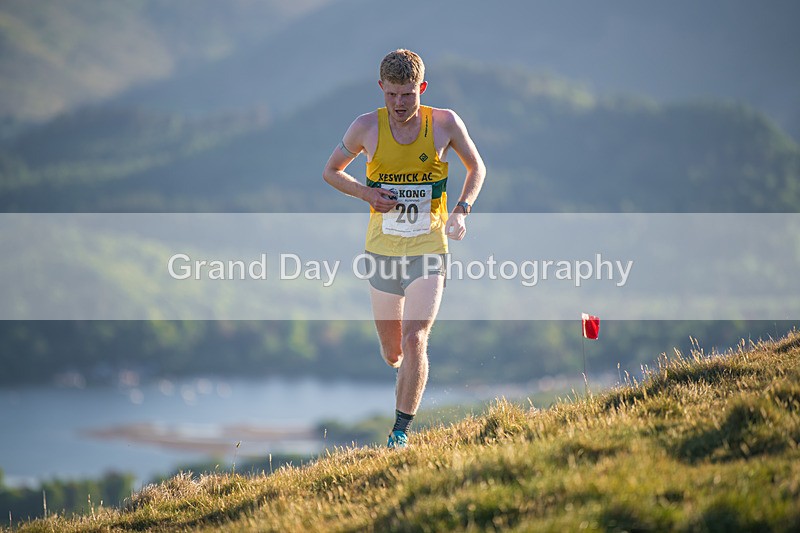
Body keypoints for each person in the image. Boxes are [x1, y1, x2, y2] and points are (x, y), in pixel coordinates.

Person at [322, 49, 486, 448]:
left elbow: (476, 167)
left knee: (416, 339)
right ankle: (402, 373)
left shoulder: (444, 123)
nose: (399, 104)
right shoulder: (365, 128)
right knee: (393, 351)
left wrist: (462, 209)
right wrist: (366, 194)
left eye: (408, 95)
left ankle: (399, 432)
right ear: (381, 88)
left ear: (421, 89)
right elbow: (331, 172)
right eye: (392, 95)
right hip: (381, 252)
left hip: (429, 247)